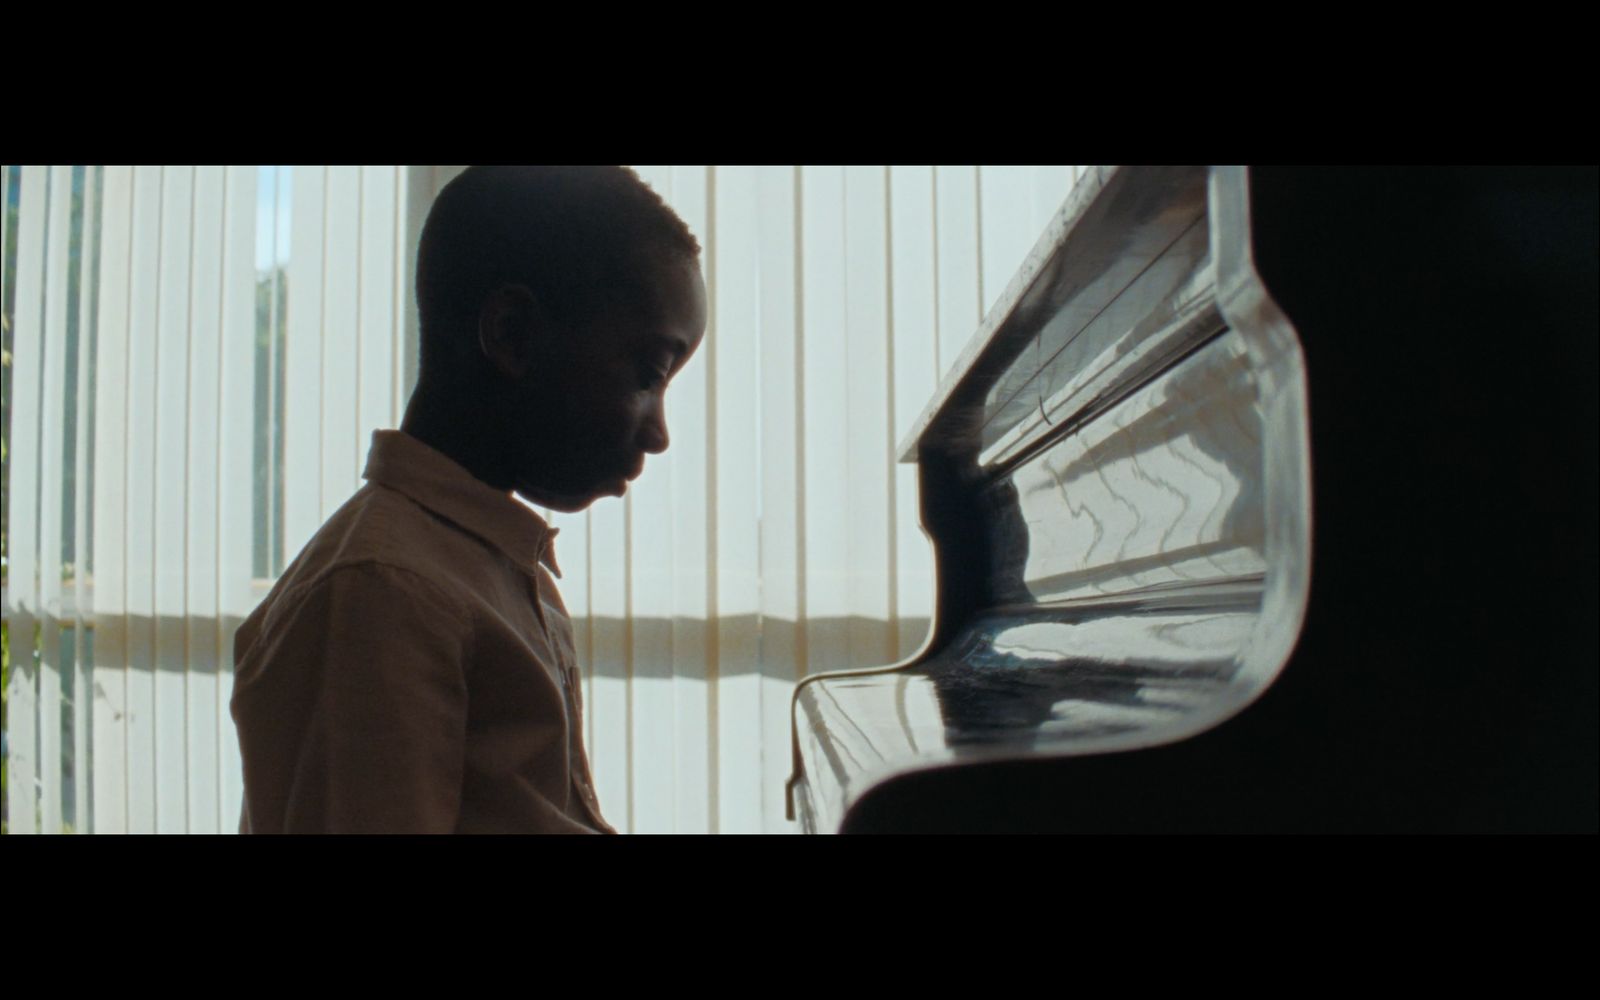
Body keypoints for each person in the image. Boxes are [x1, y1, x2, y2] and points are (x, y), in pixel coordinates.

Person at [230, 166, 707, 833]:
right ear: (512, 334)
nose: (658, 434)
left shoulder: (481, 563)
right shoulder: (386, 591)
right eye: (646, 375)